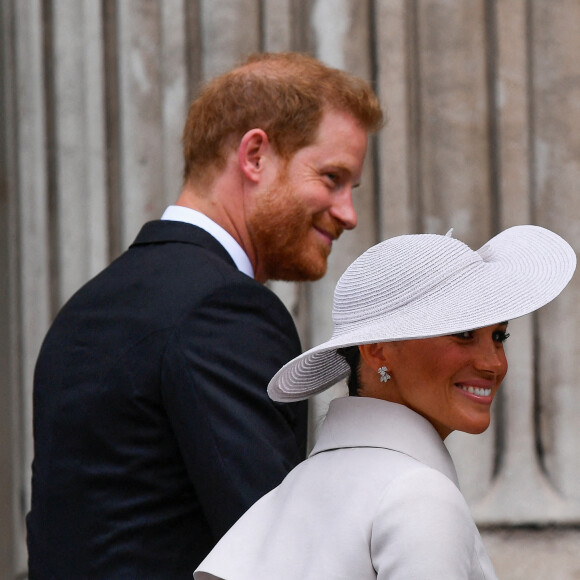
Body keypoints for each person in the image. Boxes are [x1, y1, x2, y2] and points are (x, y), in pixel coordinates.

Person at [26, 52, 384, 578]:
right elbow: (277, 552)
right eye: (331, 177)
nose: (348, 213)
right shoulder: (224, 309)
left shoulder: (86, 306)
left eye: (351, 188)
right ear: (255, 155)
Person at [194, 225, 576, 580]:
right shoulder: (417, 494)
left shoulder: (294, 489)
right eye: (463, 333)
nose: (494, 363)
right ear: (377, 350)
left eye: (499, 337)